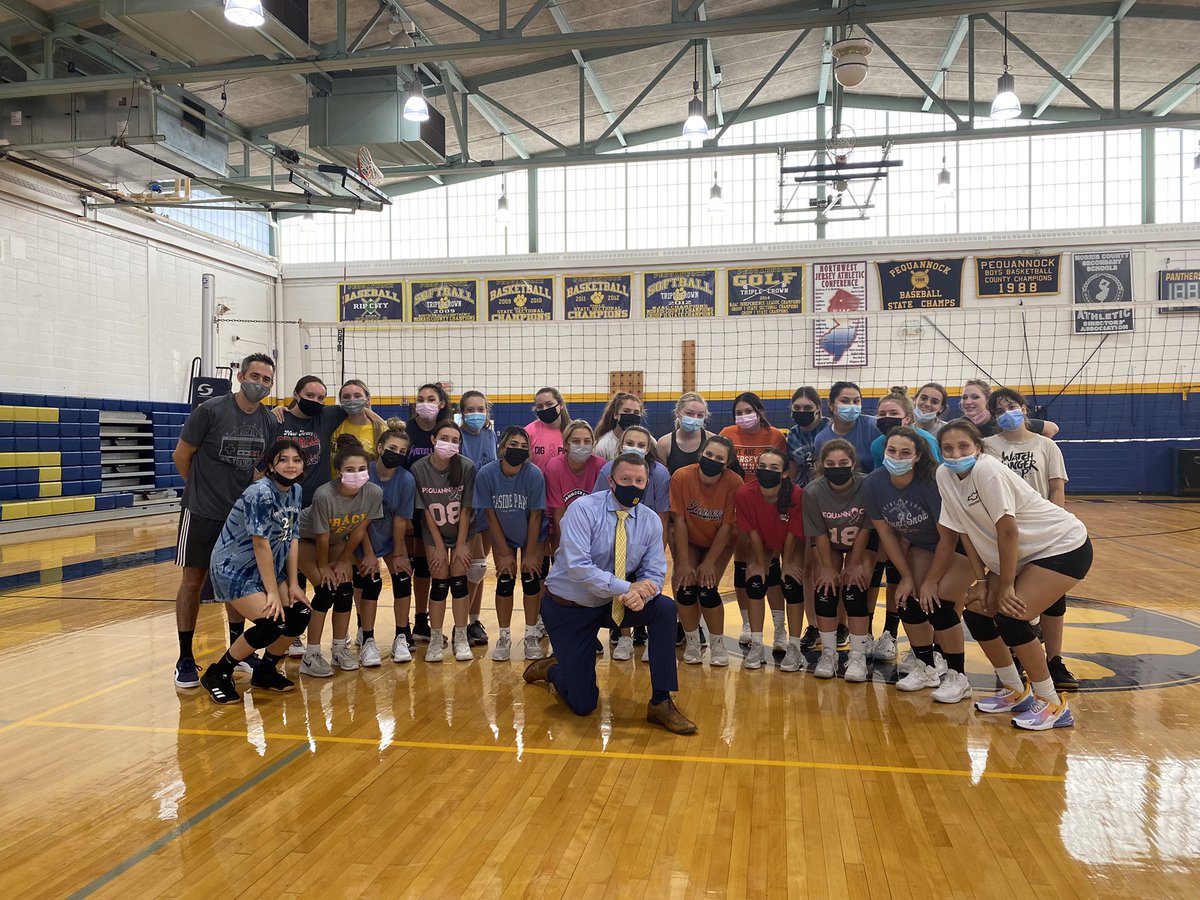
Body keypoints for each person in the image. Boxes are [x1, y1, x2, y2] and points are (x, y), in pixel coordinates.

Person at [935, 419, 1093, 730]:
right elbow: (965, 531)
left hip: (1061, 546)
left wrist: (1006, 586)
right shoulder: (944, 475)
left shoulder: (987, 470)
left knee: (1011, 615)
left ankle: (1052, 703)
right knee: (977, 611)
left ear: (978, 448)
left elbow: (1008, 531)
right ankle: (1015, 690)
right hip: (1021, 555)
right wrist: (982, 582)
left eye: (963, 446)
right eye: (948, 448)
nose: (955, 454)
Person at [523, 452, 697, 735]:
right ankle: (553, 669)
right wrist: (628, 587)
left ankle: (661, 702)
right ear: (611, 482)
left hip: (611, 604)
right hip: (570, 608)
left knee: (664, 608)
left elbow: (654, 572)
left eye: (639, 481)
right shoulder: (582, 510)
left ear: (647, 483)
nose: (633, 485)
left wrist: (643, 594)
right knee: (583, 704)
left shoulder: (651, 521)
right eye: (625, 479)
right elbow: (578, 567)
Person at [171, 352, 279, 689]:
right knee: (193, 582)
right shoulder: (210, 410)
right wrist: (199, 491)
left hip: (239, 518)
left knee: (238, 582)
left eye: (266, 379)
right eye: (255, 376)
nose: (260, 383)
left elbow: (259, 467)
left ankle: (239, 650)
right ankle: (185, 657)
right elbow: (181, 456)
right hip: (201, 512)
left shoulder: (268, 421)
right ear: (241, 376)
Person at [864, 427, 974, 703]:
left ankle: (958, 677)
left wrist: (930, 581)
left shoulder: (931, 482)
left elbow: (948, 538)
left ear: (917, 457)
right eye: (892, 451)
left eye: (905, 453)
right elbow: (887, 534)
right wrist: (906, 577)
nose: (896, 457)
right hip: (923, 545)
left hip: (963, 546)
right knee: (907, 600)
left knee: (937, 603)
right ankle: (926, 668)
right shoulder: (874, 483)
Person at [200, 439, 311, 703]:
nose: (291, 465)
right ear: (271, 465)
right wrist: (272, 592)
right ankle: (218, 673)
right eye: (283, 460)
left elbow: (292, 537)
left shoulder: (295, 490)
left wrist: (293, 584)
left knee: (300, 614)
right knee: (271, 623)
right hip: (234, 569)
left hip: (268, 568)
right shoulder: (260, 492)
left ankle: (265, 671)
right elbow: (260, 544)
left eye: (296, 460)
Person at [984, 388, 1076, 691]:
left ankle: (1055, 660)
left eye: (1011, 406)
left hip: (1044, 530)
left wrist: (1055, 525)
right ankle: (1017, 656)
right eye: (999, 410)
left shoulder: (1046, 445)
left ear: (1024, 409)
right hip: (1006, 531)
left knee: (1053, 597)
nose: (1006, 413)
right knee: (1009, 596)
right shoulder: (988, 447)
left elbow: (1057, 488)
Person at [296, 435, 384, 677]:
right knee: (326, 590)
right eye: (350, 470)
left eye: (362, 469)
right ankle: (311, 655)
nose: (357, 474)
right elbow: (321, 536)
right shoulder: (324, 495)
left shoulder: (374, 492)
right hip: (303, 538)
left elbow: (358, 529)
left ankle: (338, 649)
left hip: (336, 540)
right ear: (338, 471)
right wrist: (324, 566)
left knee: (345, 589)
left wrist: (345, 558)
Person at [592, 424, 672, 660]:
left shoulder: (659, 473)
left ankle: (645, 636)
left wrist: (658, 548)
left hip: (644, 537)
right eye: (630, 443)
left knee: (647, 584)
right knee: (620, 579)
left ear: (648, 449)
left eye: (641, 444)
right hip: (616, 534)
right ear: (620, 446)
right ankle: (624, 637)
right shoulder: (607, 470)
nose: (635, 448)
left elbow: (663, 514)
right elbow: (598, 506)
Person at [802, 440, 875, 681]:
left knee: (855, 588)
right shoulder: (813, 491)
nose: (837, 467)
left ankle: (857, 656)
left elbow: (866, 528)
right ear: (822, 465)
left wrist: (854, 564)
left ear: (853, 464)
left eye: (843, 463)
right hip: (829, 543)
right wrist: (826, 567)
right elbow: (819, 534)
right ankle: (829, 654)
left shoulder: (867, 486)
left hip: (860, 542)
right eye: (830, 463)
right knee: (825, 589)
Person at [720, 391, 788, 648]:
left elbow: (784, 471)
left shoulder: (775, 436)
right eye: (739, 412)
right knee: (742, 568)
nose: (744, 416)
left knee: (771, 568)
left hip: (769, 507)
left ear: (759, 411)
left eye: (748, 411)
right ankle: (747, 623)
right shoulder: (727, 434)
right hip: (740, 506)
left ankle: (779, 628)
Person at [475, 426, 547, 662]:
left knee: (531, 579)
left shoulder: (534, 474)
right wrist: (504, 553)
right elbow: (490, 515)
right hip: (503, 534)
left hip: (532, 533)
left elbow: (536, 516)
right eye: (513, 444)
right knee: (505, 580)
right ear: (502, 447)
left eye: (524, 446)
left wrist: (531, 553)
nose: (518, 449)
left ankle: (530, 635)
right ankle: (504, 636)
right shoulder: (486, 474)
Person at [669, 435, 741, 667]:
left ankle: (717, 644)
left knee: (707, 589)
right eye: (709, 454)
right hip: (690, 538)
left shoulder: (734, 482)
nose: (712, 460)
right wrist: (682, 563)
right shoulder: (681, 476)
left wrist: (709, 561)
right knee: (685, 587)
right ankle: (692, 641)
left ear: (727, 463)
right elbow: (679, 521)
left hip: (719, 541)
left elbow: (727, 526)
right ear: (701, 454)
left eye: (719, 458)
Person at [410, 420, 478, 663]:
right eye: (444, 438)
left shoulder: (466, 467)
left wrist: (460, 545)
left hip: (462, 531)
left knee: (459, 582)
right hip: (433, 532)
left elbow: (467, 510)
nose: (449, 443)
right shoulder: (419, 468)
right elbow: (425, 512)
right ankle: (436, 638)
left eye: (454, 440)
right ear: (433, 440)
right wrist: (438, 546)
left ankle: (461, 636)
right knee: (439, 582)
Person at [734, 448, 805, 670]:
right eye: (762, 466)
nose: (767, 471)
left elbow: (792, 534)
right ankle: (757, 644)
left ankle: (793, 646)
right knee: (755, 581)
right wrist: (759, 564)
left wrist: (788, 564)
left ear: (784, 473)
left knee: (792, 583)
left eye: (774, 468)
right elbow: (753, 532)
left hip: (790, 539)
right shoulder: (745, 493)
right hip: (761, 540)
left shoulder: (796, 494)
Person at [355, 422, 416, 666]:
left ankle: (401, 635)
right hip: (362, 536)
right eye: (392, 448)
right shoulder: (363, 473)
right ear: (380, 448)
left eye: (402, 451)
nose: (396, 454)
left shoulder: (406, 479)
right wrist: (369, 553)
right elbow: (360, 520)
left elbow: (400, 519)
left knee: (402, 577)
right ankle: (367, 638)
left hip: (391, 537)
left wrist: (399, 554)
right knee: (370, 580)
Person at [406, 382, 453, 645]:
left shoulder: (446, 431)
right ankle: (406, 625)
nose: (425, 403)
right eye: (420, 398)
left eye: (431, 398)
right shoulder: (407, 430)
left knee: (431, 566)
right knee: (410, 566)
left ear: (441, 403)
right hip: (410, 507)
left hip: (438, 506)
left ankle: (423, 623)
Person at [785, 385, 827, 653]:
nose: (802, 411)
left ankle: (842, 624)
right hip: (805, 504)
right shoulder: (793, 436)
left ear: (818, 409)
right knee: (808, 567)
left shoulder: (830, 429)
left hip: (832, 502)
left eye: (807, 407)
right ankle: (813, 625)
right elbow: (791, 472)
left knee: (832, 566)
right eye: (797, 408)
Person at [459, 390, 499, 647]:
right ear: (462, 413)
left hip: (487, 507)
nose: (476, 414)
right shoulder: (457, 436)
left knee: (480, 569)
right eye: (470, 409)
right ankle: (460, 625)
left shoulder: (490, 435)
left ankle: (474, 621)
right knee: (474, 567)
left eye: (480, 409)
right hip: (467, 508)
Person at [544, 420, 606, 551]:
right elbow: (559, 513)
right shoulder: (554, 467)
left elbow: (601, 511)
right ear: (566, 444)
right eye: (576, 441)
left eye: (587, 441)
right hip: (560, 525)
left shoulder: (601, 466)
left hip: (592, 527)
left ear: (593, 444)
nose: (582, 445)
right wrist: (566, 548)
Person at [958, 379, 1059, 439]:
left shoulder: (1004, 421)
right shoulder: (958, 426)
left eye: (975, 397)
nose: (968, 402)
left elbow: (1052, 428)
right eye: (964, 397)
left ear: (988, 400)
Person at [869, 387, 942, 470]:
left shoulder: (926, 441)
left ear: (907, 419)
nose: (887, 417)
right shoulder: (877, 445)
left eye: (894, 413)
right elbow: (880, 474)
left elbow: (935, 473)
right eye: (882, 414)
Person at [813, 381, 878, 472]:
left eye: (856, 401)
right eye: (844, 401)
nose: (852, 405)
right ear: (832, 406)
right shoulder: (821, 439)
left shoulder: (874, 426)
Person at [328, 380, 385, 475]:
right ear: (340, 401)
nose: (352, 400)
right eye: (346, 397)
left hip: (366, 483)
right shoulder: (334, 425)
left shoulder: (381, 430)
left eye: (357, 396)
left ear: (367, 399)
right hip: (336, 482)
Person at [656, 392, 717, 474]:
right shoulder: (664, 443)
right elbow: (660, 475)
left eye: (700, 415)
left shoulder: (712, 440)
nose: (695, 418)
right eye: (689, 413)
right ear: (677, 413)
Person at [526, 387, 571, 473]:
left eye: (549, 404)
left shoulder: (573, 431)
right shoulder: (528, 432)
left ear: (561, 404)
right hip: (537, 481)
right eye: (540, 406)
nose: (545, 409)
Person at [593, 392, 645, 460]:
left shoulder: (649, 441)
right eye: (626, 411)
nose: (632, 415)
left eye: (636, 412)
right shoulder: (603, 445)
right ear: (616, 415)